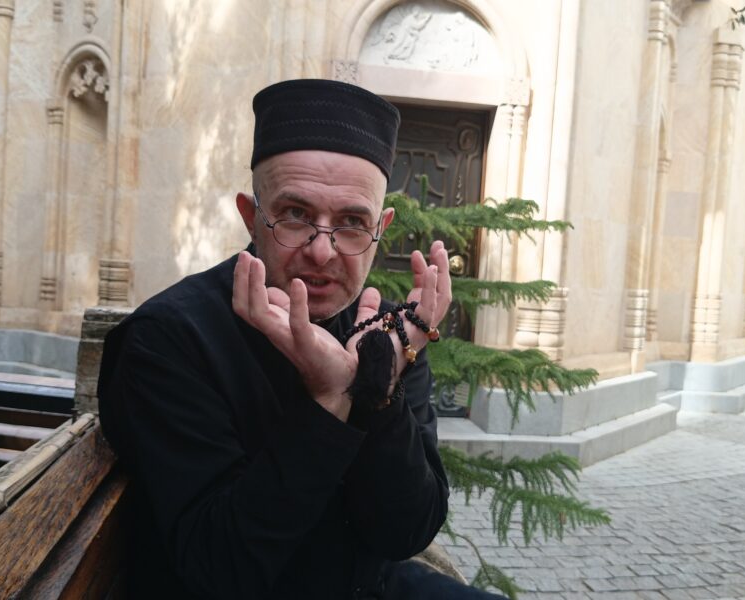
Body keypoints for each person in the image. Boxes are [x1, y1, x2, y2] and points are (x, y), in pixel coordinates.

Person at [97, 79, 504, 599]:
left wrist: (377, 391)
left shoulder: (387, 332)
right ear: (252, 217)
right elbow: (219, 568)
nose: (321, 251)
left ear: (380, 229)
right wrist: (330, 400)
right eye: (295, 215)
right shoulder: (168, 340)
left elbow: (405, 531)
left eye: (352, 222)